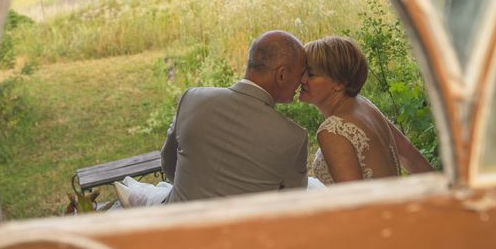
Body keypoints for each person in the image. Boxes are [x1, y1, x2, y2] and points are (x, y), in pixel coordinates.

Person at [115, 30, 309, 207]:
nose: (303, 81)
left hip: (176, 222)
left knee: (158, 195)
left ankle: (140, 196)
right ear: (281, 75)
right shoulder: (293, 137)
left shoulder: (192, 98)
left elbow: (168, 162)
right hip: (240, 237)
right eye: (301, 74)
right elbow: (292, 201)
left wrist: (195, 190)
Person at [299, 35, 433, 184]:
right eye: (302, 72)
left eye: (310, 74)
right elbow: (412, 157)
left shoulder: (332, 131)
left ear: (339, 83)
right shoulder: (364, 104)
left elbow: (354, 202)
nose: (302, 79)